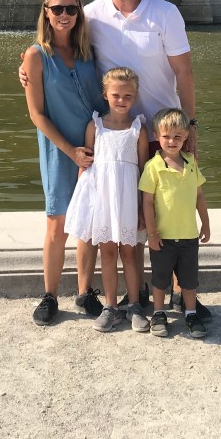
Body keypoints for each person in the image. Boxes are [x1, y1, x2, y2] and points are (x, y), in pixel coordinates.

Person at [20, 0, 208, 320]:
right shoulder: (91, 15)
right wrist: (26, 68)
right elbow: (53, 43)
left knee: (168, 214)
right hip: (110, 136)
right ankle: (118, 293)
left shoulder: (165, 13)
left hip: (160, 134)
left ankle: (178, 293)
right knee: (113, 216)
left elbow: (184, 72)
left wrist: (189, 126)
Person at [23, 0, 106, 326]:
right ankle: (50, 295)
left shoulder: (88, 52)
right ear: (46, 12)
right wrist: (70, 151)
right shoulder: (35, 56)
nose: (64, 15)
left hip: (94, 147)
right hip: (59, 149)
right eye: (57, 9)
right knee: (57, 223)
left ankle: (85, 292)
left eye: (71, 9)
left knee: (88, 223)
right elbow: (36, 114)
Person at [65, 67, 150, 332]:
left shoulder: (138, 129)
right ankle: (110, 306)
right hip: (102, 199)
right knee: (108, 252)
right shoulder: (96, 126)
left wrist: (142, 208)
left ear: (135, 97)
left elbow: (143, 170)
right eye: (116, 95)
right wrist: (85, 205)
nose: (121, 100)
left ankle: (134, 305)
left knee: (130, 252)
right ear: (105, 95)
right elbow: (87, 168)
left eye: (127, 95)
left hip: (128, 198)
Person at [141, 108, 210, 339]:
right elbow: (147, 202)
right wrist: (152, 233)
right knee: (160, 279)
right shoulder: (153, 166)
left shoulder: (191, 162)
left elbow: (199, 195)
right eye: (166, 136)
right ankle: (159, 313)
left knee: (189, 280)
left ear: (186, 137)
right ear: (156, 136)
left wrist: (205, 223)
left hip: (189, 234)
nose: (172, 141)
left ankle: (190, 313)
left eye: (177, 136)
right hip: (163, 236)